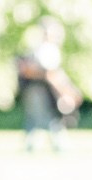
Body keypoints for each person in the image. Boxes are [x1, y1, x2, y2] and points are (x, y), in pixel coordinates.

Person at [15, 18, 81, 149]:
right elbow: (50, 74)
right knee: (48, 118)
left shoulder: (41, 49)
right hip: (40, 89)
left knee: (38, 119)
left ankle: (37, 145)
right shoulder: (44, 49)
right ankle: (53, 145)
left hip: (38, 88)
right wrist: (64, 92)